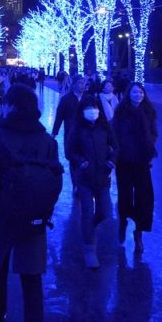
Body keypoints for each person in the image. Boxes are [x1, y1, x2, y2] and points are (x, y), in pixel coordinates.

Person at [0, 84, 60, 322]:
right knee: (32, 279)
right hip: (34, 217)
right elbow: (55, 177)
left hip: (1, 214)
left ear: (10, 106)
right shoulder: (47, 141)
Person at [67, 95, 118, 269]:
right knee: (87, 212)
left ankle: (88, 228)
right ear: (82, 110)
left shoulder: (105, 127)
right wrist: (81, 162)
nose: (92, 111)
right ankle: (90, 250)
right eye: (88, 107)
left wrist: (112, 159)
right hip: (85, 178)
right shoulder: (77, 128)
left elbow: (115, 146)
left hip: (103, 177)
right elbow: (69, 151)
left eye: (95, 107)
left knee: (105, 212)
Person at [113, 82, 158, 253]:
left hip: (142, 160)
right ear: (128, 93)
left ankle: (139, 233)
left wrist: (149, 145)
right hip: (124, 161)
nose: (138, 95)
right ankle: (123, 222)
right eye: (134, 92)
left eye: (141, 92)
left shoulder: (149, 112)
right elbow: (115, 134)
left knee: (145, 197)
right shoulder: (121, 112)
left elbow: (153, 132)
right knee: (125, 195)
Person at [52, 75, 87, 183]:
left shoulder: (88, 98)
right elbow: (59, 117)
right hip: (71, 132)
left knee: (86, 155)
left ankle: (83, 181)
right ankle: (76, 182)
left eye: (83, 83)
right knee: (73, 156)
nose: (82, 85)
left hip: (87, 132)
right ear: (74, 85)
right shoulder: (66, 99)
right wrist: (54, 133)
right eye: (80, 83)